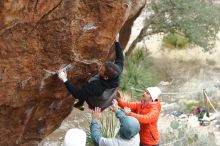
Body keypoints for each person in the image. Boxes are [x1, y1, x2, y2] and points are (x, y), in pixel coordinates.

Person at [58, 33, 124, 111]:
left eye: (102, 70)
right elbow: (120, 57)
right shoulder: (117, 70)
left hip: (98, 104)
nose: (100, 67)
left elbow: (77, 95)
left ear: (106, 77)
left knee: (85, 87)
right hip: (108, 95)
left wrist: (64, 79)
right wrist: (117, 41)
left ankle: (80, 105)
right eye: (102, 66)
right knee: (88, 87)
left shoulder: (96, 86)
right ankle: (80, 104)